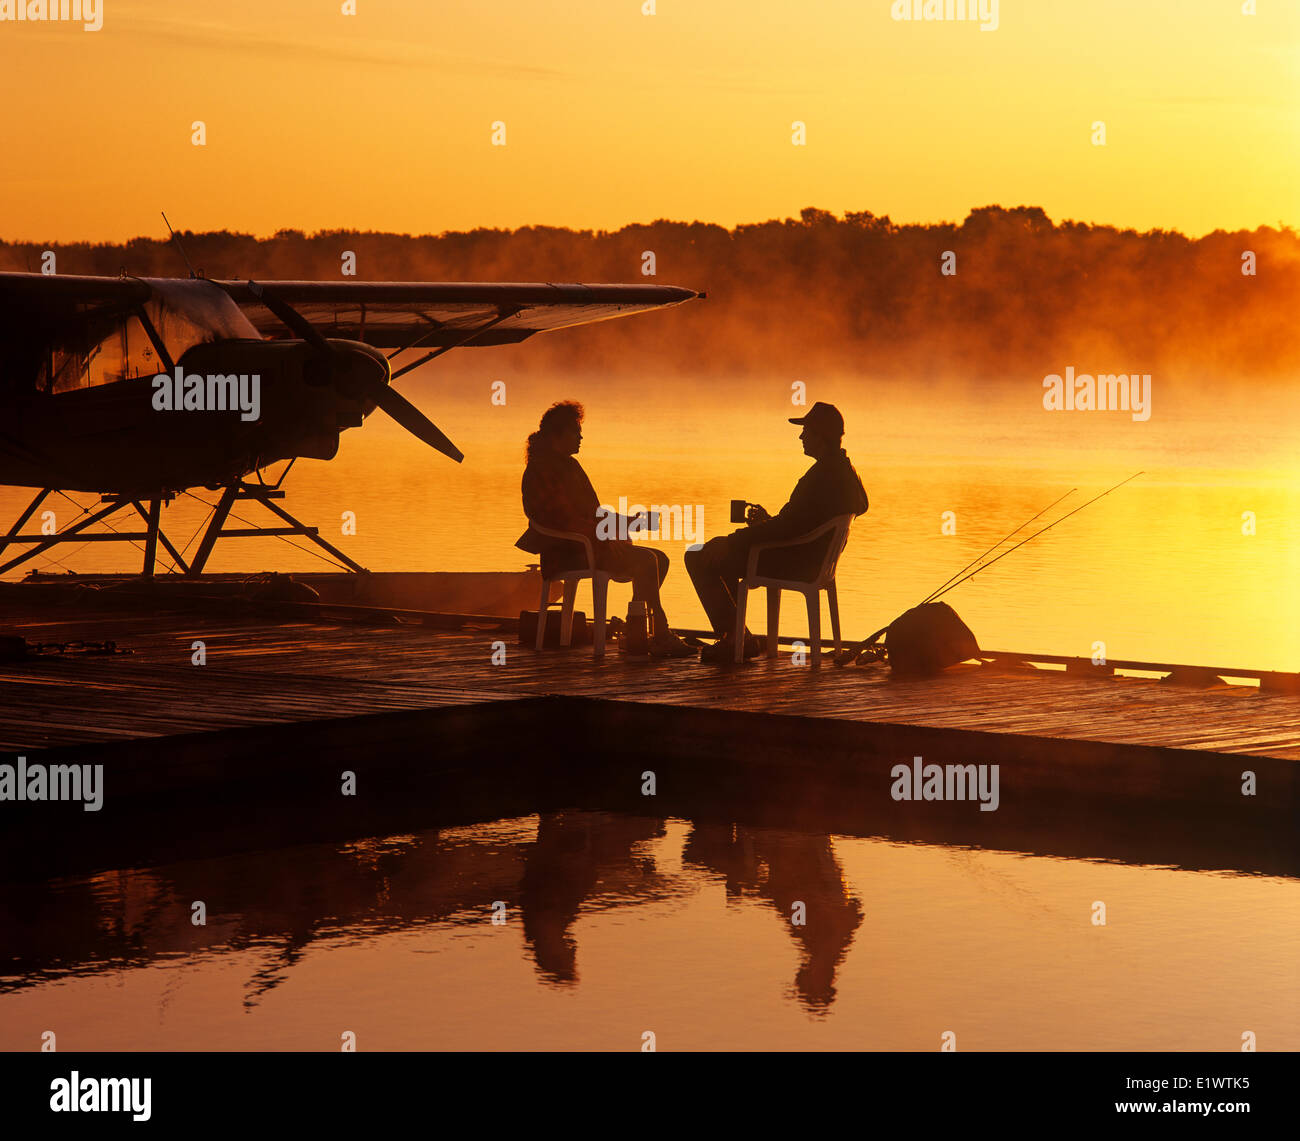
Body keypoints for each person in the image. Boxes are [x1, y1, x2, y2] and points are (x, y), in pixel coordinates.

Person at [685, 401, 868, 663]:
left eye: (807, 431)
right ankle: (738, 637)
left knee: (699, 556)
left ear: (821, 436)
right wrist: (768, 523)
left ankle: (736, 639)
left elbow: (788, 527)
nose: (801, 436)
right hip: (809, 558)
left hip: (794, 563)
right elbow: (805, 521)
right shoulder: (845, 471)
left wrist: (732, 540)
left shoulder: (821, 476)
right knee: (721, 551)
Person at [516, 400, 694, 657]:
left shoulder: (568, 465)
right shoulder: (542, 470)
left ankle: (637, 632)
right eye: (576, 431)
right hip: (568, 552)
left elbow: (592, 514)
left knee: (660, 559)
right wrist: (608, 533)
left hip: (588, 545)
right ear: (558, 434)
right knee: (647, 561)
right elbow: (561, 520)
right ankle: (660, 634)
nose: (581, 437)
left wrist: (630, 522)